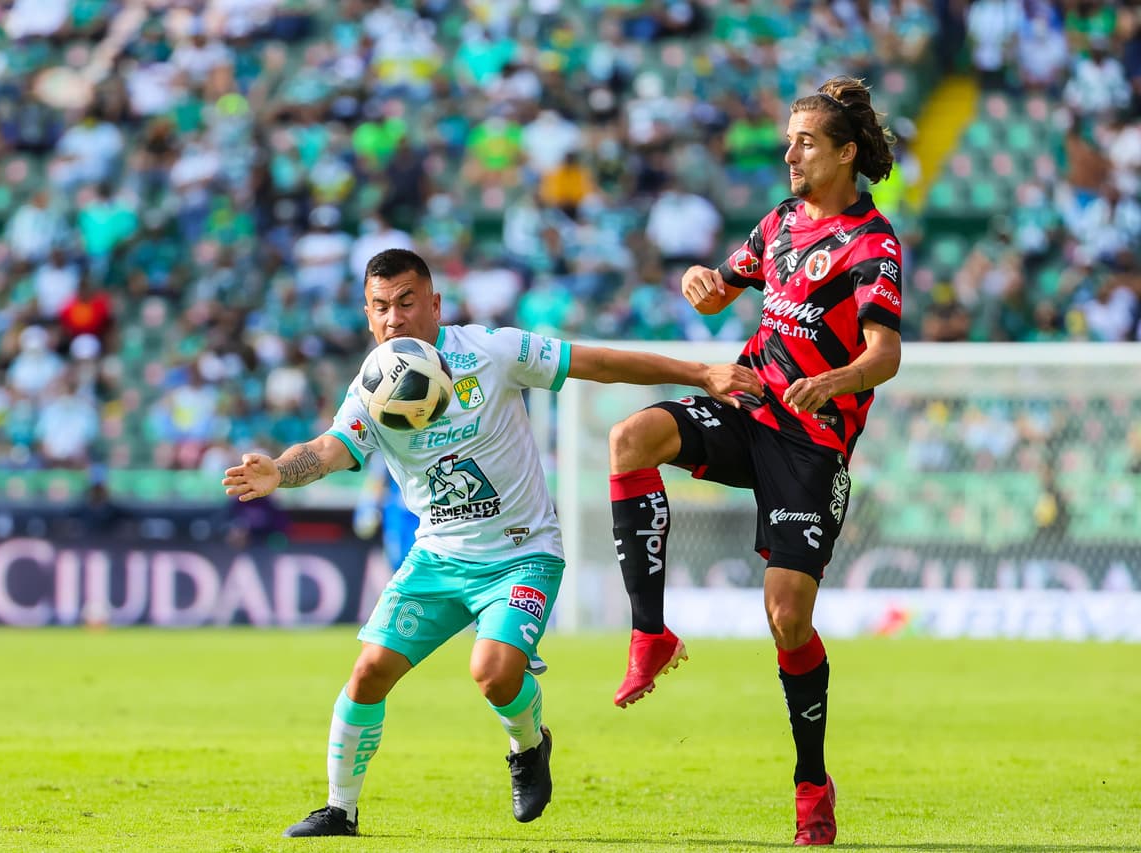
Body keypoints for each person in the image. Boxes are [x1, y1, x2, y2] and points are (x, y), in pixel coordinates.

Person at [222, 248, 741, 838]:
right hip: (438, 557)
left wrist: (700, 374)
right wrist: (280, 471)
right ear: (367, 317)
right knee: (367, 673)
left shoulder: (491, 352)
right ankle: (340, 810)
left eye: (407, 302)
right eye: (380, 307)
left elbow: (594, 361)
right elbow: (325, 450)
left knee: (492, 672)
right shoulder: (371, 389)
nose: (394, 318)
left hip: (523, 553)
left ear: (435, 304)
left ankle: (529, 747)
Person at [606, 76, 903, 846]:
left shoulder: (873, 244)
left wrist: (834, 381)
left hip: (812, 442)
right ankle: (650, 634)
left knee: (787, 617)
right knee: (630, 438)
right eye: (788, 141)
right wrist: (698, 283)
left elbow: (885, 353)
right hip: (752, 404)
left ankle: (812, 782)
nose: (790, 154)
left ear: (845, 153)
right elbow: (718, 293)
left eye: (806, 142)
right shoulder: (778, 223)